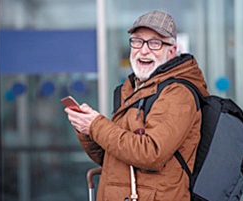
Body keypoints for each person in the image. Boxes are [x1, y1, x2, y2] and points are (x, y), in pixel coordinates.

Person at [65, 10, 209, 201]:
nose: (144, 50)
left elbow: (150, 153)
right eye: (138, 41)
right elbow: (113, 159)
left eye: (155, 43)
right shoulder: (131, 90)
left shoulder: (178, 94)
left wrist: (96, 125)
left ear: (172, 51)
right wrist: (86, 129)